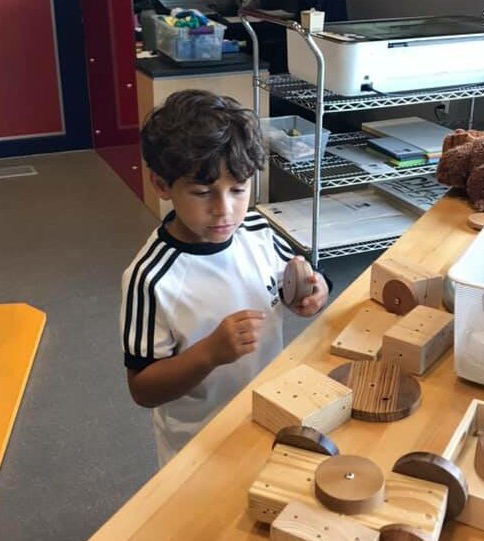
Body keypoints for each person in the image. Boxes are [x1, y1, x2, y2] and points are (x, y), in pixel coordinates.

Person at [120, 89, 330, 466]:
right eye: (202, 192)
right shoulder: (151, 277)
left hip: (269, 415)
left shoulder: (256, 230)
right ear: (161, 185)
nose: (225, 210)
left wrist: (316, 291)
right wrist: (209, 353)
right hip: (197, 443)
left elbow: (301, 278)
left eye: (239, 189)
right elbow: (142, 389)